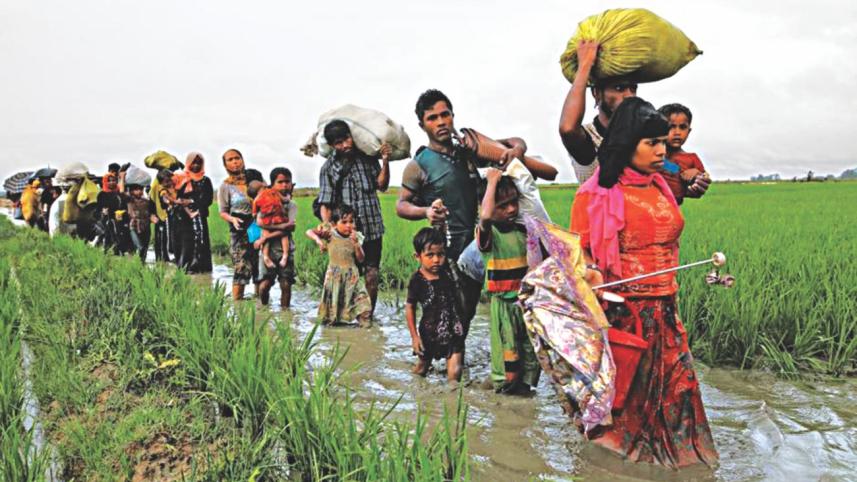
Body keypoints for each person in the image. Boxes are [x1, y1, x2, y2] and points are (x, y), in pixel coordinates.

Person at [569, 97, 718, 468]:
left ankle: (683, 462)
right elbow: (578, 254)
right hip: (627, 315)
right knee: (629, 403)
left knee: (679, 390)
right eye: (651, 142)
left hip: (667, 310)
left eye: (664, 142)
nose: (661, 150)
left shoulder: (661, 187)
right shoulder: (595, 195)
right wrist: (591, 272)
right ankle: (617, 464)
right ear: (627, 142)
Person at [397, 89, 528, 325]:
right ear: (422, 125)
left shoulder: (470, 152)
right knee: (441, 317)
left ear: (452, 116)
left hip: (476, 248)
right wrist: (426, 211)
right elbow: (401, 205)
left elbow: (517, 143)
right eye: (432, 118)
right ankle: (427, 360)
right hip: (442, 251)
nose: (441, 122)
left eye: (444, 115)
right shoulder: (418, 165)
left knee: (465, 315)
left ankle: (456, 362)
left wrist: (515, 152)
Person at [559, 40, 712, 200]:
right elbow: (568, 129)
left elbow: (663, 166)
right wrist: (585, 65)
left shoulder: (641, 136)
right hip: (604, 221)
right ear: (596, 94)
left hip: (645, 220)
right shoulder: (590, 138)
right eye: (619, 88)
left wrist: (689, 180)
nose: (629, 95)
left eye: (633, 88)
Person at [317, 120, 391, 316]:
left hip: (372, 226)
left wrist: (385, 161)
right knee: (347, 274)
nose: (346, 145)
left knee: (372, 272)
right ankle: (345, 314)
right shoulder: (328, 169)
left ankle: (368, 316)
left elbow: (382, 185)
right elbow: (326, 202)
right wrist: (326, 226)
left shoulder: (367, 158)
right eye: (339, 143)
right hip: (346, 233)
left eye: (347, 139)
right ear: (332, 146)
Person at [476, 169, 540, 394]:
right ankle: (501, 398)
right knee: (509, 370)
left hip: (527, 305)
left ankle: (521, 407)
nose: (511, 209)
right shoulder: (489, 233)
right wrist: (492, 181)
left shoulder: (524, 229)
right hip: (504, 305)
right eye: (502, 206)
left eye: (514, 202)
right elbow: (485, 216)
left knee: (531, 365)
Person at [405, 227, 466, 383]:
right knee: (421, 370)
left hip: (453, 331)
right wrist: (414, 337)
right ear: (417, 256)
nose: (436, 260)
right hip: (428, 334)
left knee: (454, 375)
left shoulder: (447, 271)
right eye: (430, 255)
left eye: (440, 254)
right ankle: (415, 389)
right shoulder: (416, 281)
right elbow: (410, 307)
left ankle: (453, 402)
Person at [305, 205, 372, 327]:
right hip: (334, 278)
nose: (349, 225)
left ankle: (365, 332)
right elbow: (309, 231)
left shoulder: (356, 237)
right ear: (335, 224)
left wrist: (357, 245)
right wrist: (318, 240)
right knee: (332, 313)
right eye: (344, 222)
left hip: (352, 278)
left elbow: (361, 259)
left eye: (351, 222)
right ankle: (333, 332)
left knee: (364, 307)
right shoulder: (330, 234)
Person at [254, 168, 297, 308]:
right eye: (280, 182)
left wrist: (266, 236)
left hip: (285, 249)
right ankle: (264, 308)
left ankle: (285, 314)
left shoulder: (291, 205)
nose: (284, 185)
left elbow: (289, 227)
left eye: (287, 182)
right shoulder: (265, 201)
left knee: (286, 284)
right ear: (272, 184)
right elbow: (259, 223)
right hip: (268, 250)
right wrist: (281, 228)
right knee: (264, 285)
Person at [218, 148, 257, 301]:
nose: (235, 162)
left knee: (258, 266)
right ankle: (238, 305)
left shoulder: (253, 179)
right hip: (238, 228)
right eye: (230, 159)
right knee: (241, 266)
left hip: (256, 226)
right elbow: (223, 211)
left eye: (237, 158)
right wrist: (232, 219)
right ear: (225, 165)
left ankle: (260, 305)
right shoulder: (225, 186)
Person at [658, 103, 709, 204]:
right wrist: (678, 170)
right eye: (671, 127)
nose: (677, 132)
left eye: (682, 127)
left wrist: (697, 174)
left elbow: (704, 180)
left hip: (673, 210)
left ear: (689, 131)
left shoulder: (691, 158)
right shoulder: (650, 153)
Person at [173, 152, 214, 273]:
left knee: (201, 242)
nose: (196, 165)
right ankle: (185, 268)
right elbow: (176, 196)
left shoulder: (206, 181)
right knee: (186, 243)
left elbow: (208, 199)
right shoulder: (181, 178)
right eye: (193, 162)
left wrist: (193, 202)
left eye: (198, 163)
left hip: (200, 216)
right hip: (184, 218)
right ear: (188, 163)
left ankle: (202, 269)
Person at [96, 172, 131, 255]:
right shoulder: (101, 195)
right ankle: (107, 254)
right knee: (108, 238)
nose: (112, 182)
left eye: (113, 180)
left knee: (121, 238)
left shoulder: (119, 193)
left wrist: (123, 214)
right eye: (109, 181)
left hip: (120, 220)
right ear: (105, 182)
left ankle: (120, 254)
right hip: (107, 220)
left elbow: (124, 205)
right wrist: (103, 212)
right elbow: (98, 209)